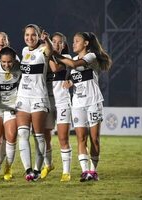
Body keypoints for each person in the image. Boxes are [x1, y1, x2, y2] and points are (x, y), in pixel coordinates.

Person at [55, 32, 112, 182]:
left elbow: (74, 66)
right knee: (81, 138)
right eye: (73, 41)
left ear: (86, 43)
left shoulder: (91, 56)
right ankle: (85, 171)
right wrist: (70, 83)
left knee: (95, 139)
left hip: (93, 101)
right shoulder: (72, 59)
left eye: (77, 41)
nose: (73, 44)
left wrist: (55, 53)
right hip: (78, 104)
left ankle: (93, 171)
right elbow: (75, 77)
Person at [16, 24, 53, 181]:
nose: (29, 38)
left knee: (39, 135)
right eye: (27, 35)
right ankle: (28, 169)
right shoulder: (24, 51)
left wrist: (48, 41)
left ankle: (37, 170)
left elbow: (50, 51)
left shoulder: (43, 49)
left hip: (39, 98)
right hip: (23, 97)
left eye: (33, 35)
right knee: (23, 133)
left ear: (39, 36)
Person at [41, 32, 72, 181]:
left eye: (60, 42)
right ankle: (49, 164)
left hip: (63, 102)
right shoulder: (44, 55)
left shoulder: (68, 59)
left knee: (62, 137)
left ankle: (66, 172)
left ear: (64, 45)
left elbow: (55, 68)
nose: (56, 44)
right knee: (45, 136)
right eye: (53, 41)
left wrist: (47, 51)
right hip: (47, 101)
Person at [0, 46, 21, 181]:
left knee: (12, 136)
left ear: (14, 60)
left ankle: (8, 168)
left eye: (9, 62)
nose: (6, 65)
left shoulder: (20, 68)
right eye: (3, 62)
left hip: (11, 106)